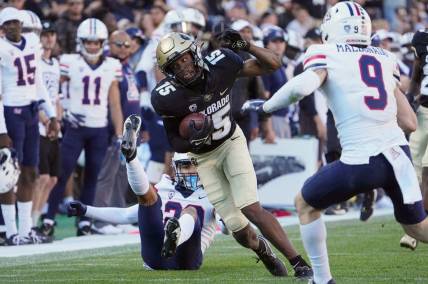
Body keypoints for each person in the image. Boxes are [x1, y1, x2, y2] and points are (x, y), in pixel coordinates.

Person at [244, 2, 428, 283]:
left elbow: (303, 86)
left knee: (304, 204)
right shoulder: (385, 58)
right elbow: (409, 123)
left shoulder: (324, 52)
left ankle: (322, 279)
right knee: (418, 229)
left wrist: (267, 106)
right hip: (398, 158)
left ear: (331, 28)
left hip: (361, 160)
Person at [151, 31, 312, 278]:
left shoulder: (221, 65)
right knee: (238, 229)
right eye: (175, 64)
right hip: (204, 159)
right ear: (169, 70)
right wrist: (191, 140)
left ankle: (298, 262)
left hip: (231, 143)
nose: (182, 67)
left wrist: (247, 45)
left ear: (194, 53)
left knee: (251, 207)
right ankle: (264, 251)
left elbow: (273, 64)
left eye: (184, 59)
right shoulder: (167, 97)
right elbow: (173, 140)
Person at [68, 117, 217, 269]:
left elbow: (226, 227)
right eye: (185, 167)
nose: (190, 171)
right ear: (175, 168)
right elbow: (125, 215)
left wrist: (226, 217)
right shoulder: (165, 187)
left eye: (194, 166)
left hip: (187, 259)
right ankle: (131, 157)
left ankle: (174, 238)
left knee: (190, 211)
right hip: (157, 256)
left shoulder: (214, 193)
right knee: (149, 198)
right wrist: (85, 210)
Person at [41, 18, 123, 237]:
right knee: (61, 173)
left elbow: (114, 103)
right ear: (81, 41)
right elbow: (53, 91)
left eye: (96, 42)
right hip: (75, 127)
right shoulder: (69, 62)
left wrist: (119, 133)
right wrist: (64, 112)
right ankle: (48, 217)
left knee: (93, 176)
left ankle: (84, 221)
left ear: (103, 43)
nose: (93, 46)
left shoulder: (112, 66)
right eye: (89, 42)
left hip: (98, 128)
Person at [0, 7, 59, 245]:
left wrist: (51, 114)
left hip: (32, 112)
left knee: (30, 172)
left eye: (17, 22)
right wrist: (2, 130)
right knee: (7, 174)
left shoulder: (33, 42)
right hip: (10, 112)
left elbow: (36, 81)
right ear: (3, 28)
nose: (14, 27)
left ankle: (25, 230)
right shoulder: (2, 49)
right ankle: (10, 231)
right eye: (9, 23)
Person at [91, 30, 140, 234]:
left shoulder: (126, 66)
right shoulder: (110, 67)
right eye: (119, 44)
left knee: (122, 175)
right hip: (114, 130)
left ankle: (119, 216)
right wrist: (118, 131)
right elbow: (113, 103)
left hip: (130, 130)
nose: (124, 48)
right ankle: (99, 221)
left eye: (127, 45)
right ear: (109, 44)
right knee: (108, 175)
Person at [32, 21, 62, 227]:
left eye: (51, 34)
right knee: (41, 177)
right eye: (45, 34)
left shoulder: (56, 64)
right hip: (39, 124)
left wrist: (57, 121)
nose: (48, 38)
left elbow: (56, 98)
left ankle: (38, 219)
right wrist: (46, 120)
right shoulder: (35, 63)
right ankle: (31, 223)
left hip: (53, 125)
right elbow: (34, 95)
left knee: (52, 179)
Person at [401, 29, 428, 250]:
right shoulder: (421, 38)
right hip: (423, 111)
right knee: (413, 168)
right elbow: (417, 72)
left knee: (427, 169)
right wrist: (409, 98)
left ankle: (417, 229)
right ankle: (417, 223)